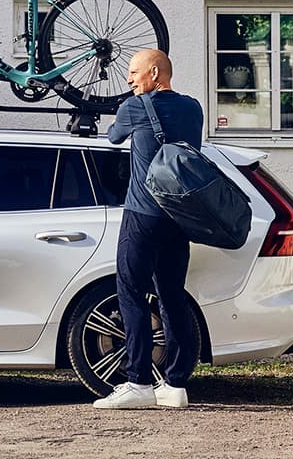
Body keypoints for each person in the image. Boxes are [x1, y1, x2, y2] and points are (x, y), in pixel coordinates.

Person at [96, 49, 204, 410]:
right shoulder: (193, 109)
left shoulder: (133, 107)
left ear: (155, 73)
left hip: (143, 214)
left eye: (133, 72)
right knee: (172, 296)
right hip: (179, 216)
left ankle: (139, 381)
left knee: (130, 293)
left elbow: (113, 137)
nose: (129, 80)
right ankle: (175, 385)